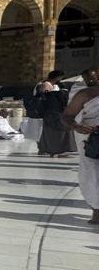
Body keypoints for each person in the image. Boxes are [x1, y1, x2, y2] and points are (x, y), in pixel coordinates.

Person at [63, 83, 99, 224]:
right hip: (92, 137)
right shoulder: (85, 94)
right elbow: (67, 116)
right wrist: (76, 126)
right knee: (92, 173)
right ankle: (97, 209)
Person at [39, 70, 75, 158]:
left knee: (60, 132)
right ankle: (53, 151)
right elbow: (45, 97)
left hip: (57, 111)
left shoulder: (56, 85)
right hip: (51, 112)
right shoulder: (46, 85)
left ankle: (59, 150)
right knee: (53, 132)